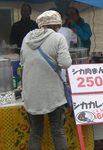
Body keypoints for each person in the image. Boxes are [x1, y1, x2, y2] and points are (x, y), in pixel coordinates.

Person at [21, 10, 72, 150]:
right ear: (57, 26)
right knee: (57, 131)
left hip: (31, 93)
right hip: (52, 92)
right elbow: (65, 64)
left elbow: (22, 62)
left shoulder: (27, 38)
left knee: (36, 133)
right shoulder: (58, 38)